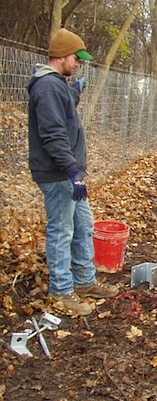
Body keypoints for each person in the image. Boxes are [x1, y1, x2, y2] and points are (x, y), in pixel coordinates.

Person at [27, 28, 118, 316]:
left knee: (83, 225)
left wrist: (73, 94)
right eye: (76, 58)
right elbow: (53, 134)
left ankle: (84, 281)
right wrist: (71, 171)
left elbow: (62, 116)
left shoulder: (57, 85)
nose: (78, 63)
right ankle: (62, 291)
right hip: (58, 174)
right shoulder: (47, 87)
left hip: (68, 173)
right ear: (63, 56)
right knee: (61, 230)